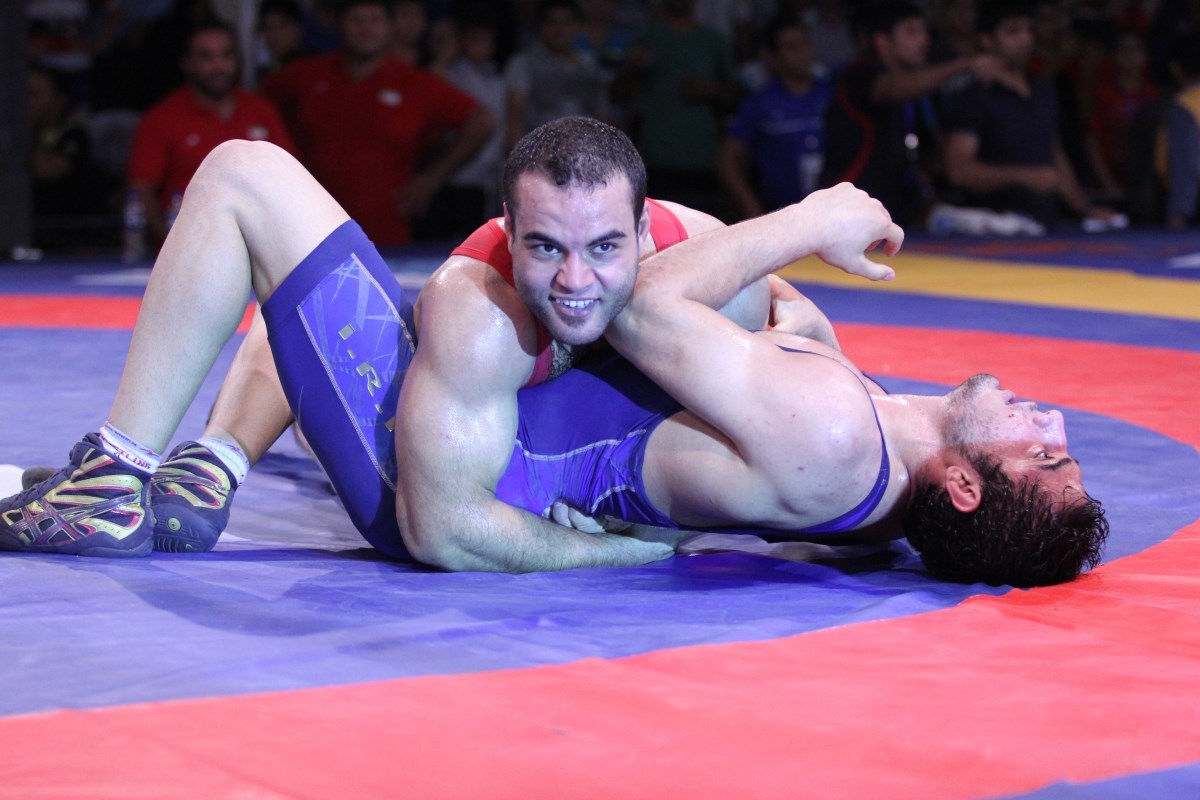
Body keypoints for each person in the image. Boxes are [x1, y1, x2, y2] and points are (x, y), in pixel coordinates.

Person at [1, 123, 1108, 587]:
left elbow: (637, 309)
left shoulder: (833, 434)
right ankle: (214, 466)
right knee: (365, 303)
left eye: (1046, 456)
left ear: (967, 485)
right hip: (503, 426)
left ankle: (115, 475)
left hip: (458, 484)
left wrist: (811, 216)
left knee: (247, 176)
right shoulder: (862, 456)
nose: (1055, 423)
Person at [260, 0, 494, 246]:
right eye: (356, 19)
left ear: (390, 26)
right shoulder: (305, 75)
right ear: (340, 25)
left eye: (374, 19)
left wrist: (433, 178)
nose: (365, 28)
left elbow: (483, 121)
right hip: (309, 233)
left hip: (388, 235)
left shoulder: (415, 83)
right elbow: (254, 106)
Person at [819, 1, 1023, 230]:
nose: (924, 40)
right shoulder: (859, 74)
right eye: (912, 32)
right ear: (883, 41)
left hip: (895, 213)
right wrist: (967, 65)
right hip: (845, 212)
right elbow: (893, 88)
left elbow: (928, 156)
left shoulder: (918, 93)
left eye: (924, 32)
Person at [941, 1, 1118, 231]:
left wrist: (1085, 208)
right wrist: (1023, 176)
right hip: (993, 229)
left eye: (1028, 30)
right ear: (987, 40)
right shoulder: (974, 96)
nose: (1025, 38)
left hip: (1046, 227)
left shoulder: (1044, 90)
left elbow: (1054, 153)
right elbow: (959, 171)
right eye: (1013, 31)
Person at [126, 19, 296, 248]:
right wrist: (171, 249)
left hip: (261, 251)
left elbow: (291, 180)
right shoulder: (161, 118)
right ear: (187, 63)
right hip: (188, 251)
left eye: (226, 55)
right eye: (207, 57)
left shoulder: (262, 111)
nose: (219, 66)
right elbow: (141, 191)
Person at [716, 15, 833, 220]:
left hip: (833, 212)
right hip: (782, 216)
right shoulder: (760, 103)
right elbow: (726, 159)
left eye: (804, 44)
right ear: (772, 56)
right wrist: (750, 205)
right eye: (790, 47)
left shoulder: (833, 95)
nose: (801, 52)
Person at [504, 0, 610, 150]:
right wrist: (522, 158)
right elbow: (514, 116)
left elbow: (602, 115)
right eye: (551, 23)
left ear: (578, 26)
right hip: (540, 153)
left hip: (586, 153)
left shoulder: (589, 65)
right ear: (539, 27)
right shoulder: (523, 63)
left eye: (566, 23)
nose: (559, 29)